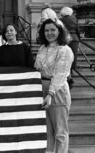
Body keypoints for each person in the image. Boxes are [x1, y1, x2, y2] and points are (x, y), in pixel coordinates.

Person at [34, 18, 74, 153]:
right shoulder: (42, 48)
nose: (49, 33)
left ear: (60, 31)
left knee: (60, 131)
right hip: (42, 88)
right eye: (46, 30)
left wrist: (50, 94)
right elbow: (37, 68)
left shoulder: (65, 50)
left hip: (57, 90)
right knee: (47, 131)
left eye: (53, 30)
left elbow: (60, 75)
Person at [60, 6, 80, 86]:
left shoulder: (60, 20)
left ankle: (67, 74)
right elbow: (77, 30)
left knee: (65, 56)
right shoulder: (74, 19)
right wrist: (79, 38)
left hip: (65, 39)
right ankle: (72, 70)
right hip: (74, 39)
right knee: (73, 56)